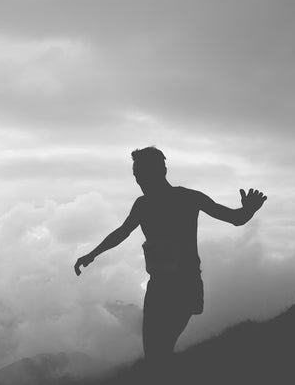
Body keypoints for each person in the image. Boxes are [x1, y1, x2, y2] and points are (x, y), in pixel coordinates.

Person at [75, 146, 267, 372]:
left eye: (141, 174)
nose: (137, 180)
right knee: (156, 353)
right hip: (158, 287)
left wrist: (248, 210)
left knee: (159, 352)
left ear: (161, 171)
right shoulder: (143, 204)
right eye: (135, 175)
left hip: (184, 285)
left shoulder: (187, 198)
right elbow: (122, 232)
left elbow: (235, 218)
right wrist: (92, 255)